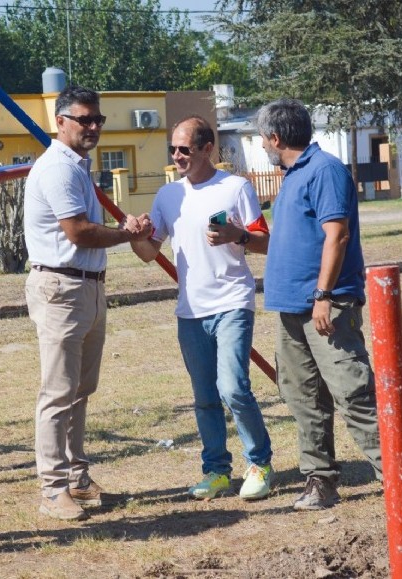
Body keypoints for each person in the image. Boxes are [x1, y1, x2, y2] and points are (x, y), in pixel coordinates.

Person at [24, 85, 152, 521]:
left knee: (80, 390)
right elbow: (78, 232)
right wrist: (127, 235)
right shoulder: (58, 169)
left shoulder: (80, 166)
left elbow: (87, 231)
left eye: (98, 120)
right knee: (58, 393)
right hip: (62, 288)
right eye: (85, 120)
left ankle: (76, 478)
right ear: (60, 122)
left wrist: (121, 229)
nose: (94, 127)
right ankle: (52, 488)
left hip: (87, 286)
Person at [130, 115, 274, 501]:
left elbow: (265, 241)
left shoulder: (236, 188)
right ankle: (216, 472)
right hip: (190, 311)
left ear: (207, 148)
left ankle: (259, 462)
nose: (177, 156)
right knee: (205, 396)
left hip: (232, 302)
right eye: (173, 149)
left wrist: (237, 235)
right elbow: (148, 253)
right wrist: (136, 236)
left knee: (234, 388)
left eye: (185, 149)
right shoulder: (168, 196)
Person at [256, 98, 381, 510]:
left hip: (325, 307)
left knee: (353, 392)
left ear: (275, 138)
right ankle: (320, 480)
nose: (262, 145)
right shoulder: (292, 174)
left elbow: (337, 236)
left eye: (262, 139)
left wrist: (323, 297)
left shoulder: (324, 169)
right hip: (292, 309)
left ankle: (396, 475)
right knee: (302, 396)